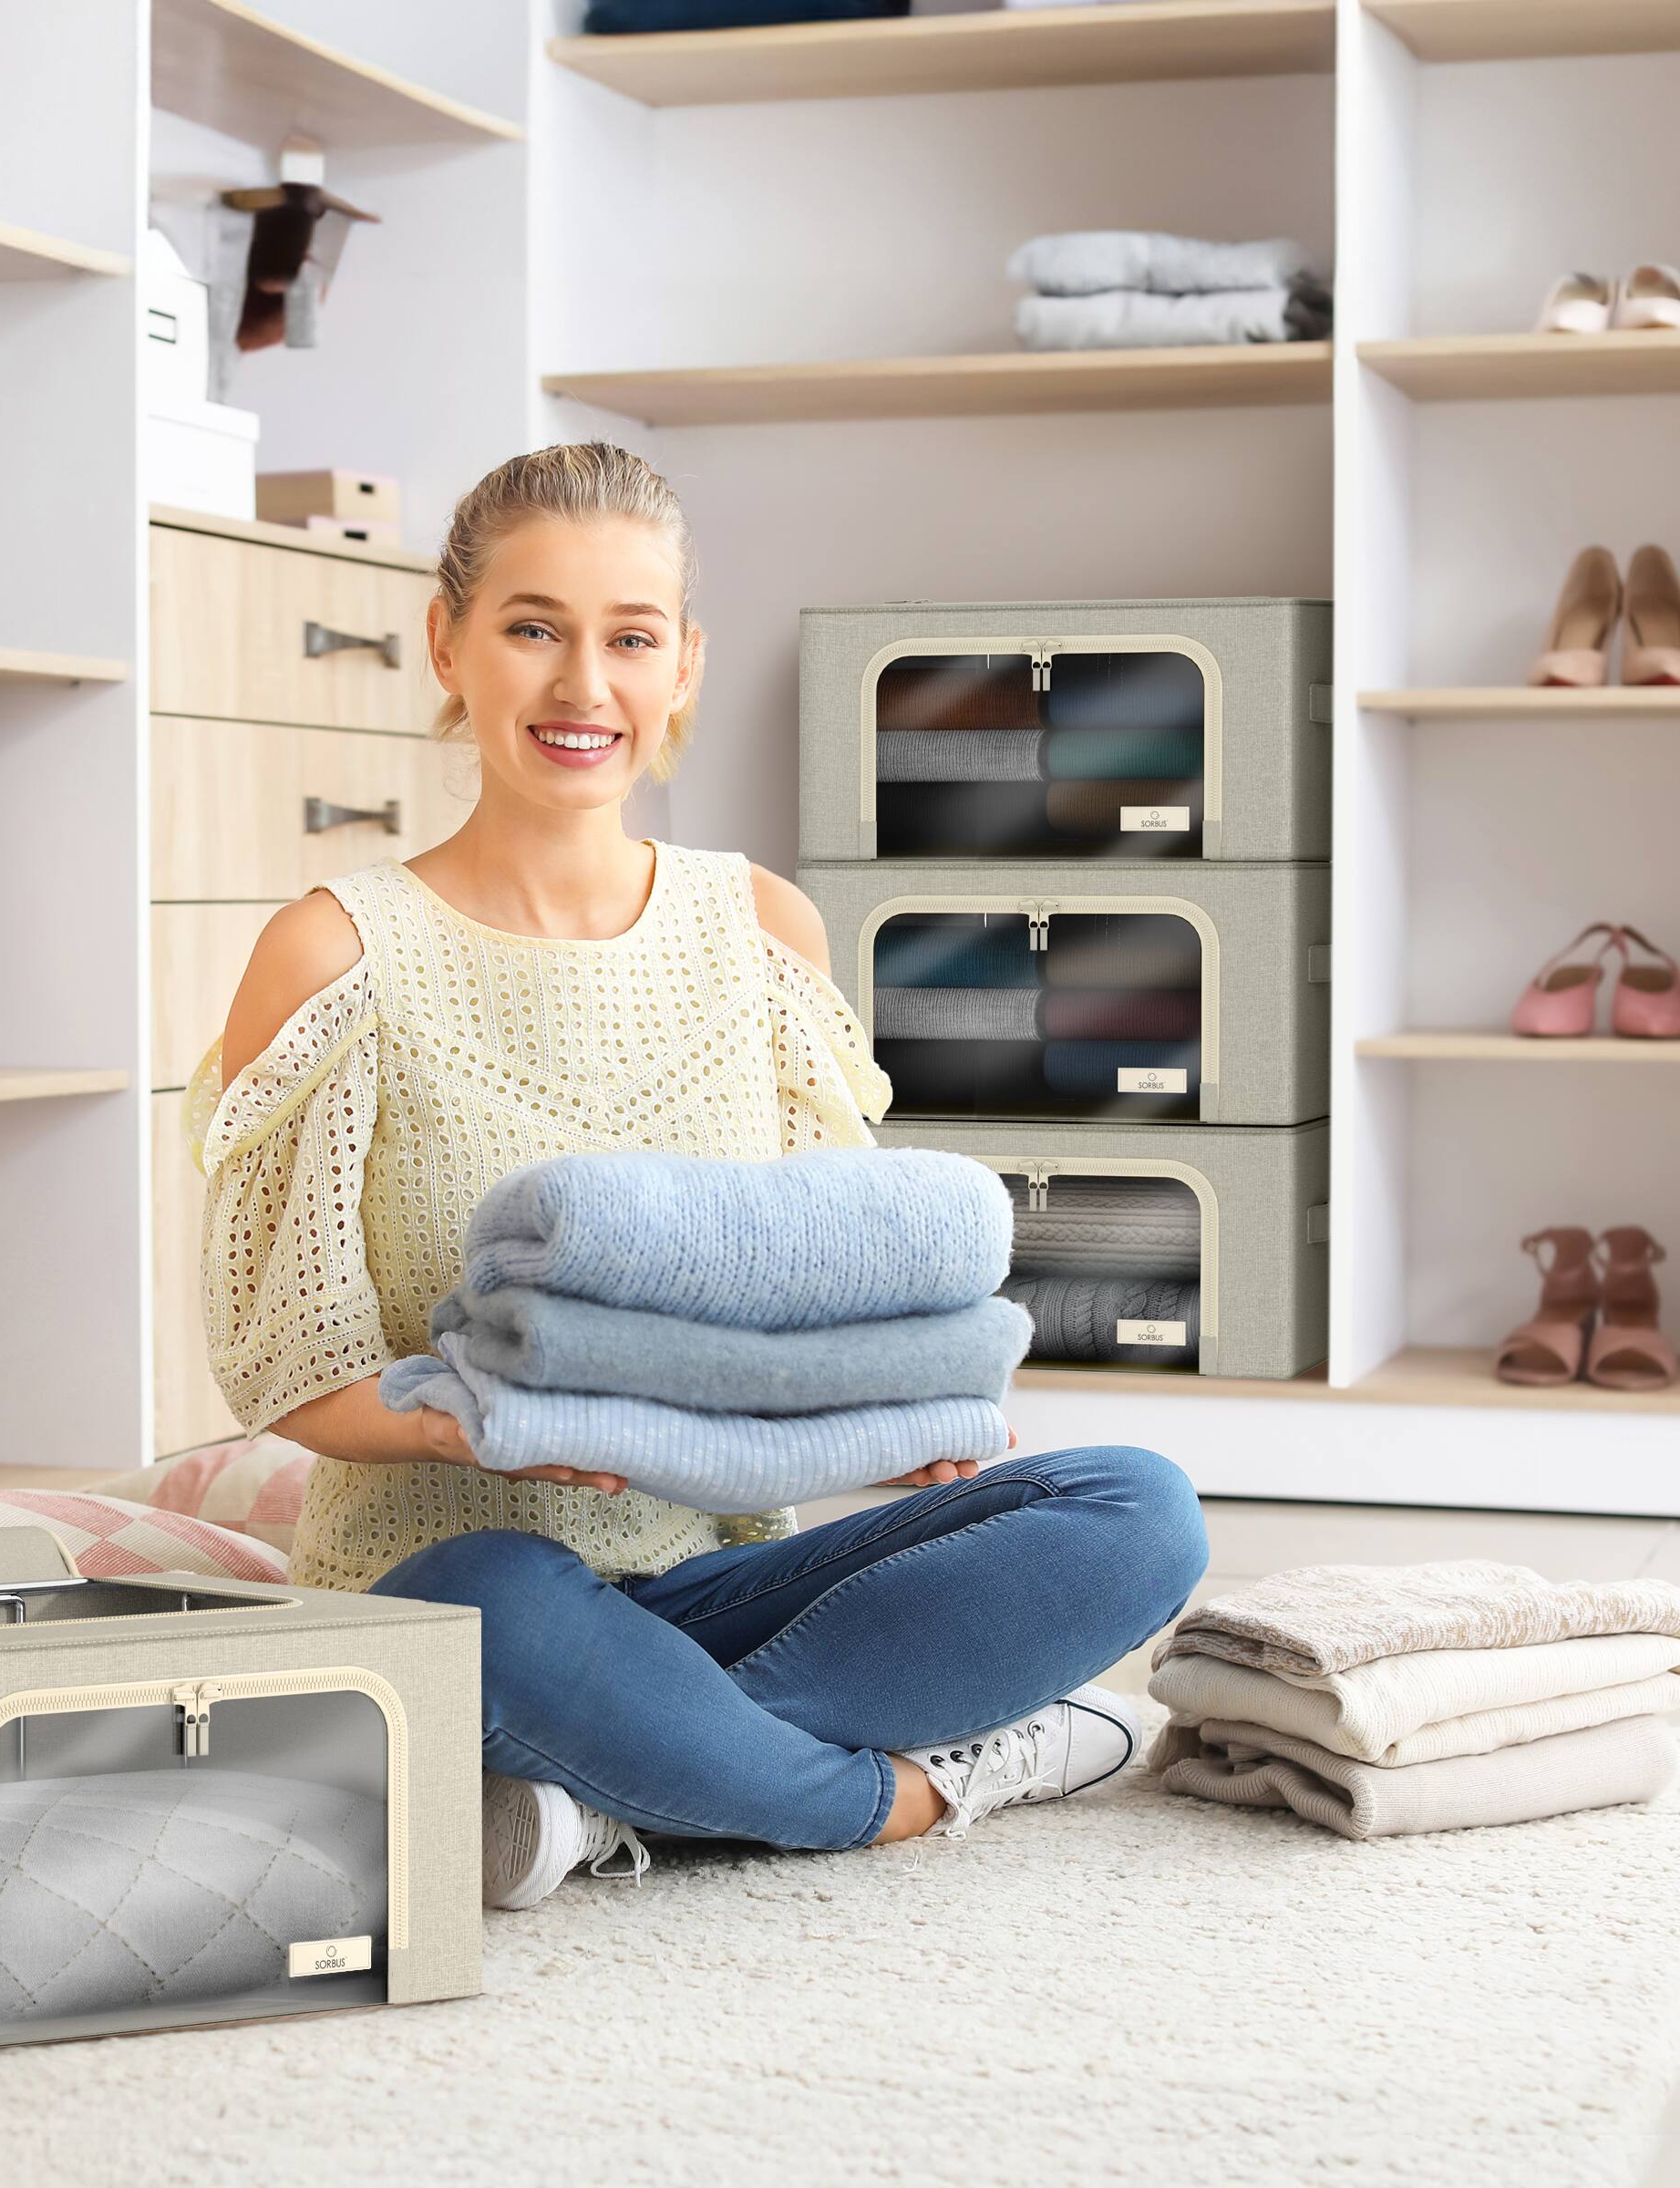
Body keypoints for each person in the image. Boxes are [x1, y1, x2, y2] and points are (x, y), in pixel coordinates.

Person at [186, 442, 1209, 1911]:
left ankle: (609, 1797)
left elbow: (846, 1293)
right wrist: (483, 1437)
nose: (581, 685)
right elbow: (279, 1365)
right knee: (504, 1601)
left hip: (718, 1590)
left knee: (1140, 1509)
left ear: (685, 668)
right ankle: (896, 1792)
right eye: (533, 628)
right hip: (459, 1592)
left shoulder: (762, 935)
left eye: (631, 637)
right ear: (447, 645)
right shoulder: (336, 955)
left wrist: (883, 1413)